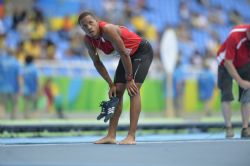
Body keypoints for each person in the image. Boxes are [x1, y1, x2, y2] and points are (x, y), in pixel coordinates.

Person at [78, 11, 153, 144]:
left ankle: (131, 136)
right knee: (116, 92)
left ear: (97, 22)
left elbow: (124, 54)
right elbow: (97, 62)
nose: (88, 27)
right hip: (126, 56)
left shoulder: (108, 30)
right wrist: (110, 83)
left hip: (141, 51)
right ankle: (111, 136)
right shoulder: (87, 40)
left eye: (90, 23)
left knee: (133, 90)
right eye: (84, 26)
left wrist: (129, 79)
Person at [217, 24, 250, 138]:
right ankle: (228, 127)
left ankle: (245, 128)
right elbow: (228, 63)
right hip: (225, 62)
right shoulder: (235, 35)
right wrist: (240, 81)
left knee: (247, 93)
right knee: (226, 94)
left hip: (244, 61)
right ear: (248, 33)